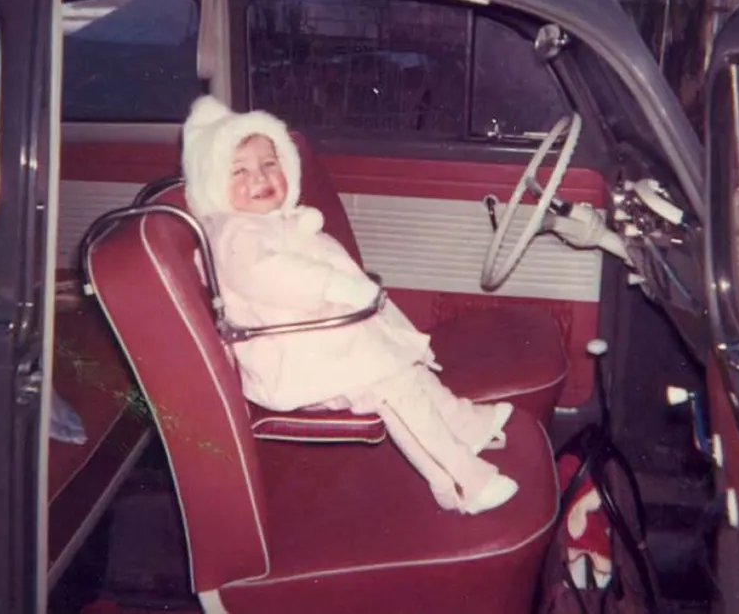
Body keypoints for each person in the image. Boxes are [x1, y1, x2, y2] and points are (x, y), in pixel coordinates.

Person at [182, 96, 519, 514]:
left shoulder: (272, 222)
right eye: (240, 171)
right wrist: (337, 286)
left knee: (401, 365)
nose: (261, 177)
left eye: (270, 163)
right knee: (391, 386)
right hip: (291, 359)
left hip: (318, 341)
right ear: (214, 185)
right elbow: (271, 276)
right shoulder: (235, 233)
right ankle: (461, 483)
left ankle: (465, 424)